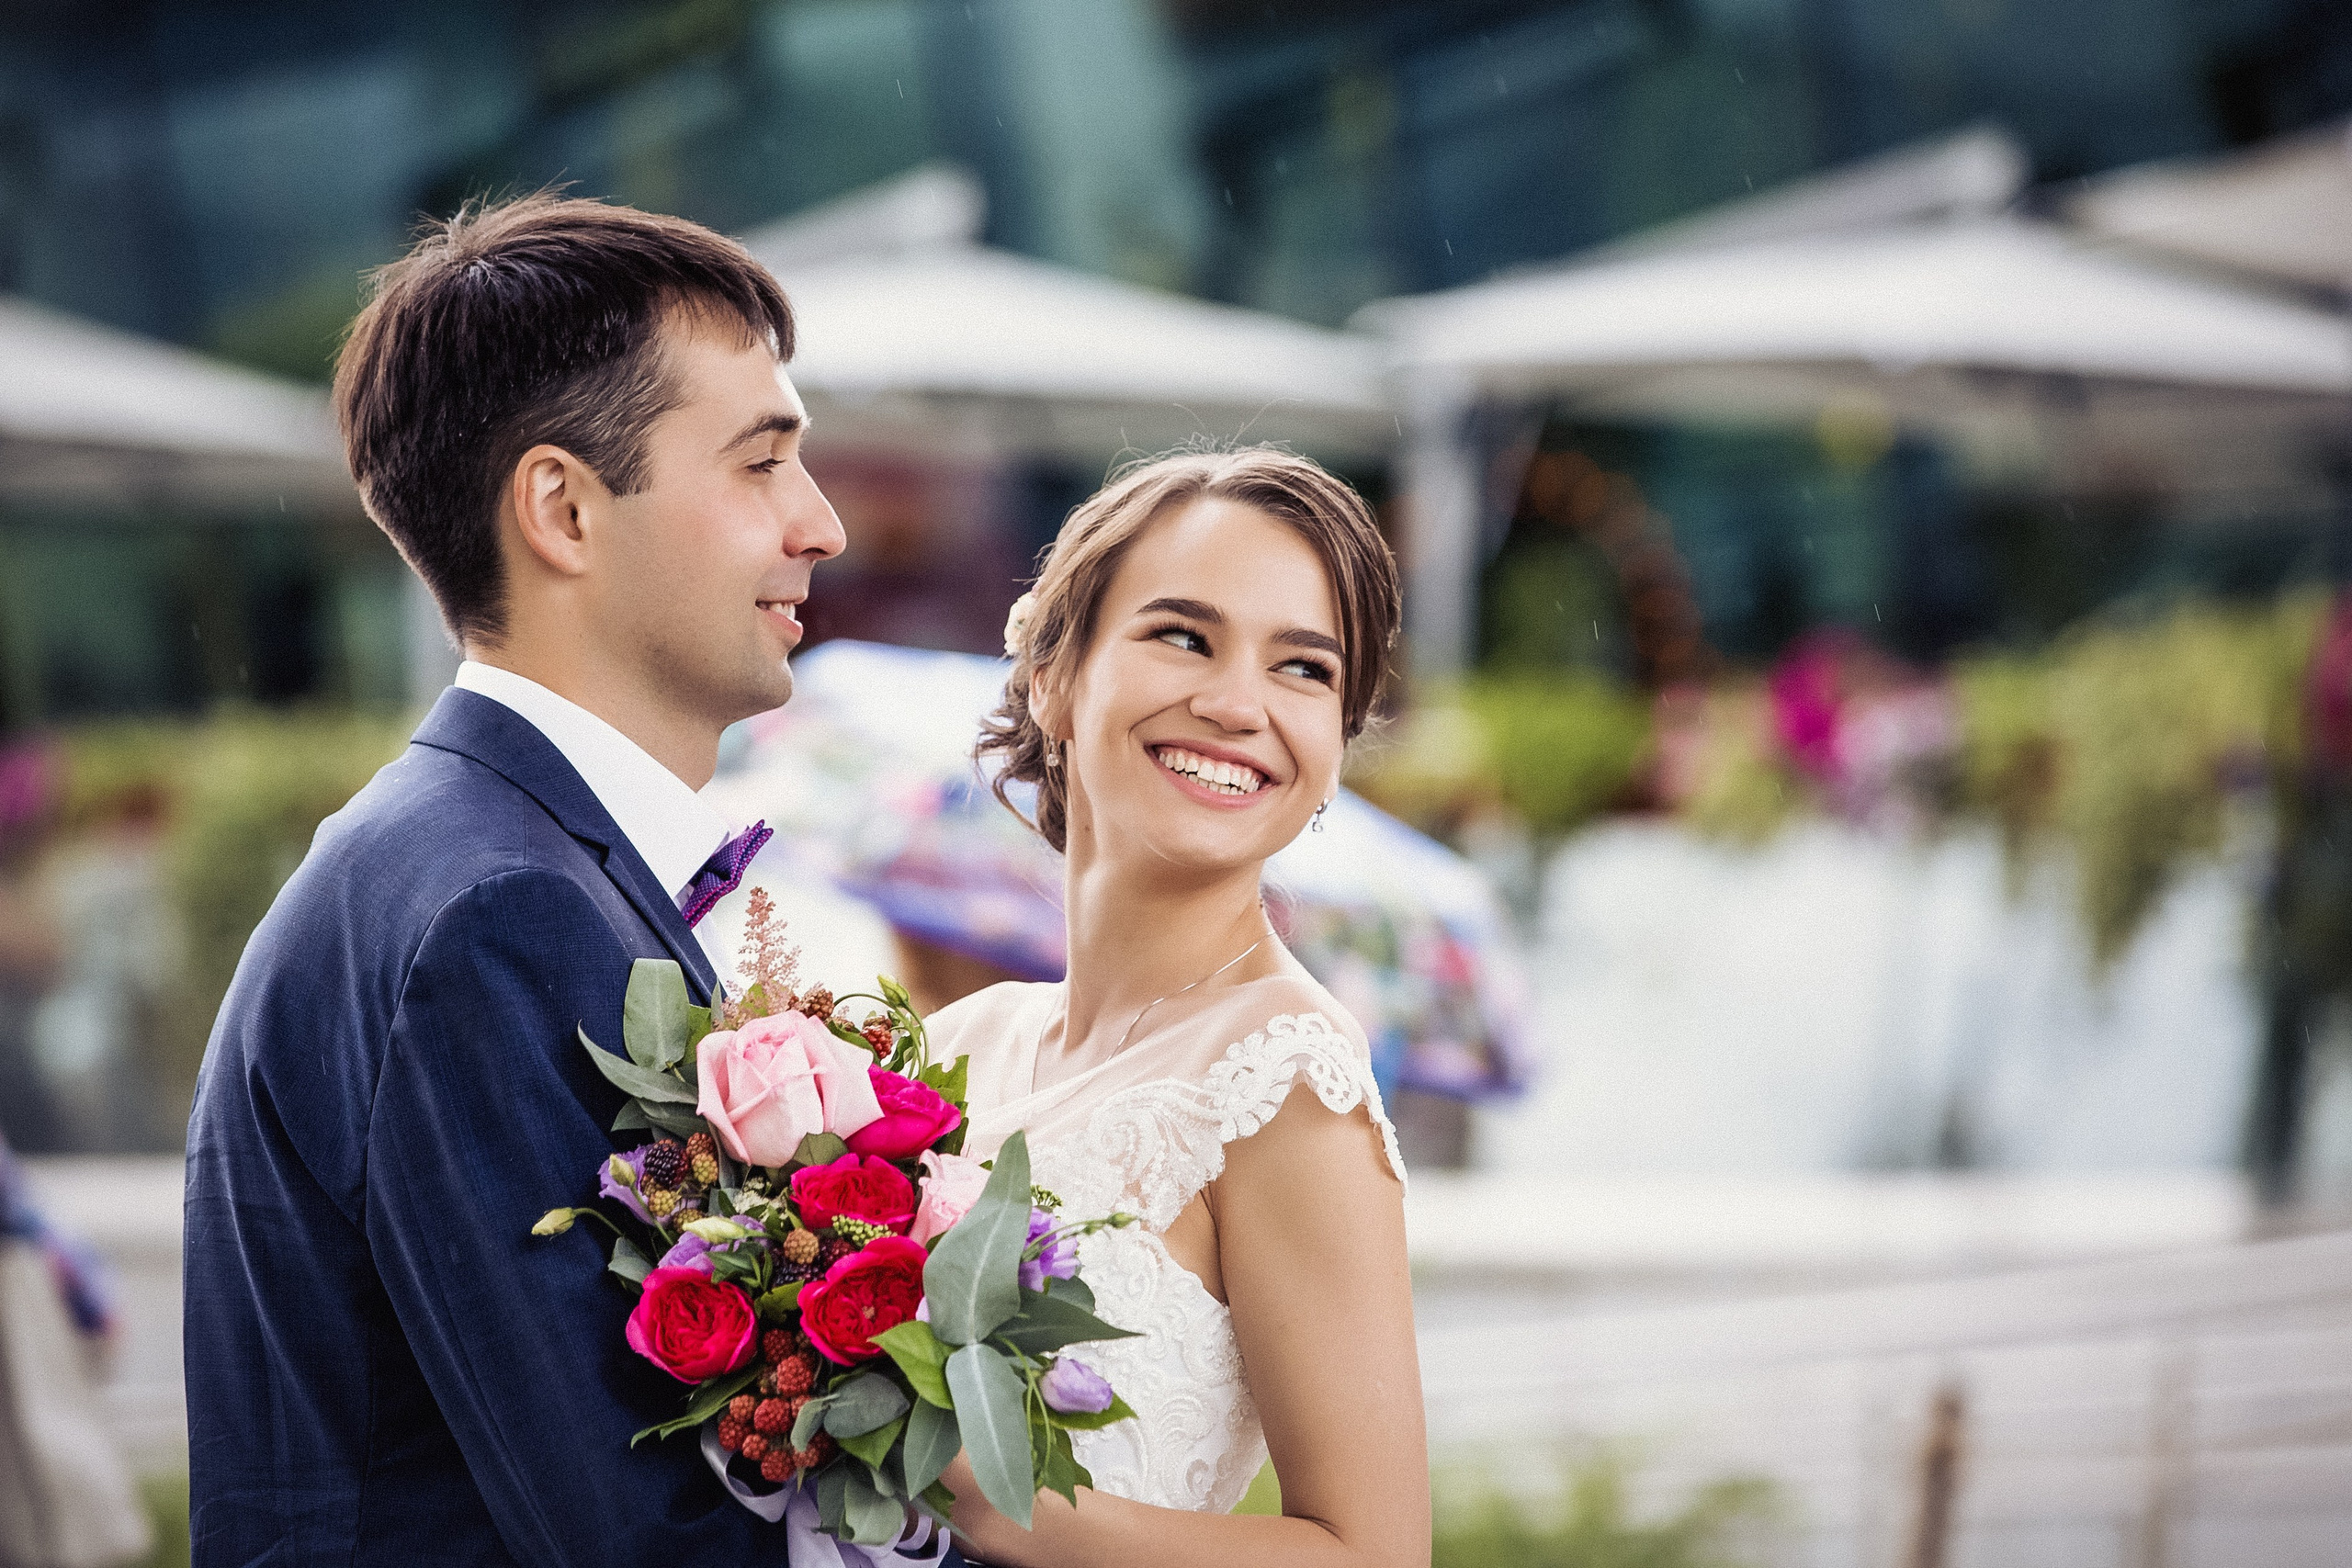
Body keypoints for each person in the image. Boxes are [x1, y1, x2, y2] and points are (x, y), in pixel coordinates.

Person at [182, 194, 968, 1565]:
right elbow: (638, 1534)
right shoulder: (493, 907)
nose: (825, 523)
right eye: (763, 462)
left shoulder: (473, 859)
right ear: (561, 506)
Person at [926, 448, 1430, 1568]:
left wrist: (982, 1494)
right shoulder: (951, 1050)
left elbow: (1372, 1556)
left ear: (1336, 747)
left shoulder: (1282, 1078)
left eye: (1303, 668)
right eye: (1183, 637)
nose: (1236, 703)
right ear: (1053, 678)